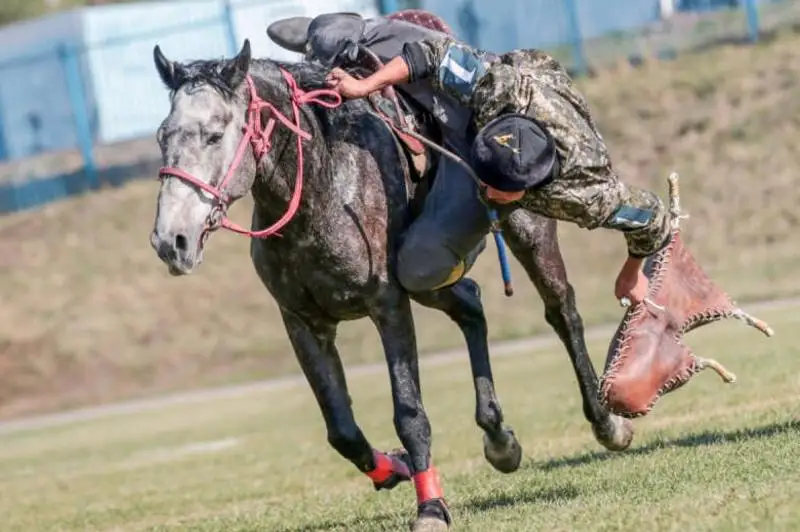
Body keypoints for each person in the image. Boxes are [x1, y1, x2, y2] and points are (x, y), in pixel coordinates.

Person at [324, 35, 673, 304]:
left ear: (526, 189)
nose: (485, 189)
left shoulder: (586, 194)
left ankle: (468, 247)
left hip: (560, 135)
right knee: (358, 40)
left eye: (497, 189)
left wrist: (632, 273)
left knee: (418, 270)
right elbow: (432, 53)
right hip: (518, 77)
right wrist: (364, 86)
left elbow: (654, 216)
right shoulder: (501, 92)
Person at [267, 12, 497, 293]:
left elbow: (422, 60)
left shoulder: (466, 71)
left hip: (477, 129)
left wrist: (363, 85)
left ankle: (462, 266)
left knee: (420, 267)